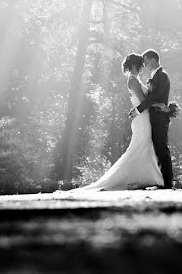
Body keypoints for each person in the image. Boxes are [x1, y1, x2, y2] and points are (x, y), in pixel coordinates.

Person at [68, 53, 170, 191]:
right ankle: (134, 178)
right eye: (141, 64)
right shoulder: (133, 80)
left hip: (144, 117)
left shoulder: (137, 79)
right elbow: (143, 100)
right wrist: (159, 105)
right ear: (134, 65)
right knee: (138, 148)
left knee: (143, 147)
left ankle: (144, 178)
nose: (143, 67)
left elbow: (146, 99)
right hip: (142, 118)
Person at [128, 49, 173, 189]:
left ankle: (167, 183)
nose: (145, 65)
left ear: (153, 59)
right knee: (157, 149)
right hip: (151, 117)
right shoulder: (156, 76)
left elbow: (152, 98)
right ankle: (162, 181)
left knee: (161, 148)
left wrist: (138, 109)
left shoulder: (162, 76)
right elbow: (150, 98)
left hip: (159, 118)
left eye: (146, 61)